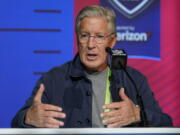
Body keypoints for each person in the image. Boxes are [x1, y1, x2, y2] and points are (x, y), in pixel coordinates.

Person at [11, 5, 172, 128]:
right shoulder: (53, 78)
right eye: (84, 35)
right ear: (77, 39)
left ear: (112, 40)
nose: (90, 44)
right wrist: (28, 118)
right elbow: (16, 123)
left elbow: (166, 124)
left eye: (99, 36)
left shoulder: (133, 79)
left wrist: (139, 115)